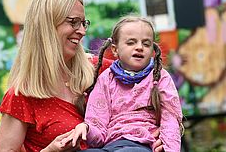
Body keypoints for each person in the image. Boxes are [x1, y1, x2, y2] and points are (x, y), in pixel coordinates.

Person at [0, 0, 164, 151]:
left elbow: (161, 94)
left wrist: (163, 134)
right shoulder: (21, 95)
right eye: (73, 22)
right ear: (47, 26)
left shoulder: (103, 71)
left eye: (84, 23)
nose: (82, 31)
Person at [67, 16, 184, 152]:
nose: (139, 47)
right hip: (110, 146)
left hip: (142, 145)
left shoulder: (160, 77)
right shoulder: (106, 78)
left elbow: (171, 119)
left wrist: (169, 149)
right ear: (115, 50)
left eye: (146, 44)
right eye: (131, 43)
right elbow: (97, 123)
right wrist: (87, 128)